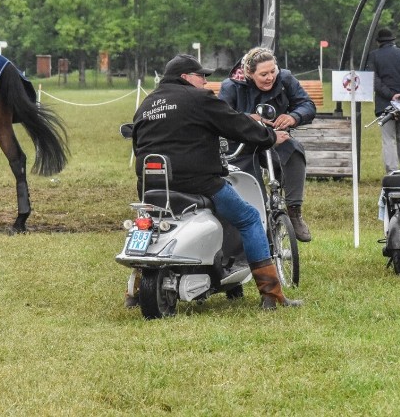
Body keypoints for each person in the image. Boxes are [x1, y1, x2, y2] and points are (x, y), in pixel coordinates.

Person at [130, 53, 302, 310]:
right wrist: (268, 137)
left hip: (151, 186)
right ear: (186, 77)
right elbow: (234, 123)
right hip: (198, 182)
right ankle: (272, 295)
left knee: (153, 226)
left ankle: (135, 289)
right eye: (201, 77)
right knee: (249, 217)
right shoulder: (198, 99)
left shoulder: (147, 104)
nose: (205, 83)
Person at [218, 47, 317, 242]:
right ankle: (258, 231)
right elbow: (221, 117)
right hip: (242, 145)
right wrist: (248, 119)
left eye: (273, 71)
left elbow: (307, 104)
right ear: (249, 73)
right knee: (252, 191)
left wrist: (293, 117)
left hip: (274, 139)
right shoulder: (230, 86)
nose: (270, 77)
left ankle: (294, 210)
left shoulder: (285, 78)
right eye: (263, 74)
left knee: (294, 151)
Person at [366, 28, 400, 173]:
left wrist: (390, 95)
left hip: (385, 104)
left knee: (388, 140)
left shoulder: (374, 56)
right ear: (393, 40)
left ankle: (392, 171)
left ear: (378, 42)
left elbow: (374, 79)